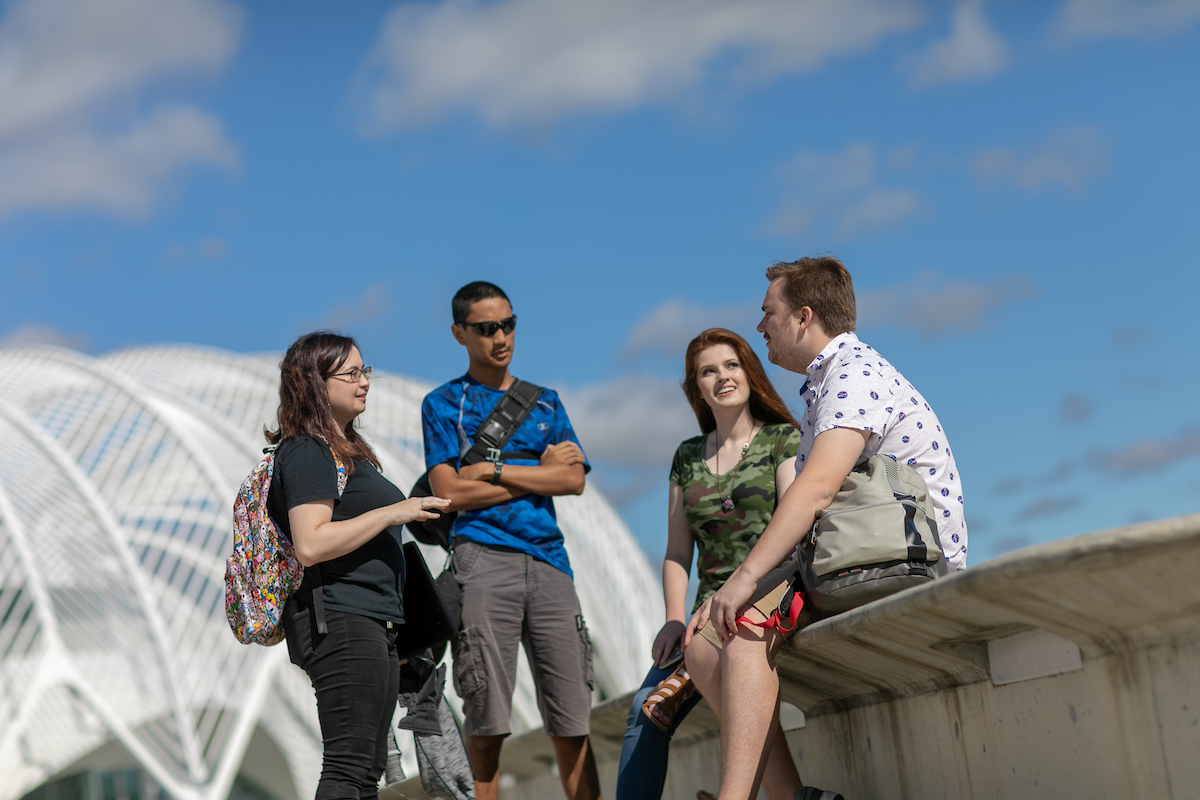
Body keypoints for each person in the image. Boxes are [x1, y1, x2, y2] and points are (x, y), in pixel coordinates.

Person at [684, 256, 968, 800]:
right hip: (863, 544)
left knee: (745, 627)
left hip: (906, 554)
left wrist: (744, 579)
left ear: (803, 317)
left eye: (768, 313)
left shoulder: (853, 375)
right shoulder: (828, 382)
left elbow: (816, 490)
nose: (760, 326)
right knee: (702, 643)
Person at [420, 281, 601, 800]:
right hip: (481, 560)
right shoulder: (443, 404)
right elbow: (449, 493)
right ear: (460, 333)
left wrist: (492, 470)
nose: (501, 337)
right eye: (486, 328)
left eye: (508, 324)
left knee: (572, 719)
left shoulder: (547, 402)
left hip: (550, 564)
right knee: (487, 721)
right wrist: (534, 469)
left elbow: (571, 481)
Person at [615, 329, 807, 800]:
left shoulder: (783, 439)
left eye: (731, 365)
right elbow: (678, 553)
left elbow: (793, 526)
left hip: (771, 590)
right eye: (708, 371)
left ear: (749, 372)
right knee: (646, 708)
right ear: (695, 388)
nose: (722, 377)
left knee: (721, 671)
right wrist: (673, 618)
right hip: (704, 613)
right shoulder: (686, 457)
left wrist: (738, 591)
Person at [268, 332, 451, 799]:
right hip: (340, 620)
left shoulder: (345, 451)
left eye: (365, 371)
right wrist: (395, 511)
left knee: (365, 770)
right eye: (351, 373)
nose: (364, 381)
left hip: (370, 621)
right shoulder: (308, 449)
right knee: (349, 768)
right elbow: (311, 543)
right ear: (313, 382)